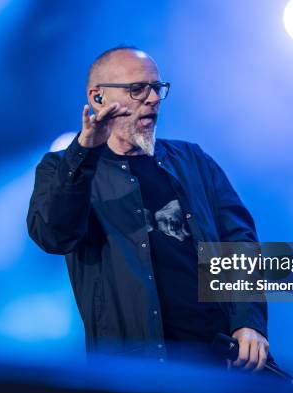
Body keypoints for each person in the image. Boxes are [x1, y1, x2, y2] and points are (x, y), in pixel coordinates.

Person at [27, 46, 269, 371]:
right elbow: (54, 235)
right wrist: (83, 153)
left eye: (157, 88)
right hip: (135, 374)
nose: (153, 99)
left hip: (219, 366)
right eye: (138, 89)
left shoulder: (193, 161)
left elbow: (239, 243)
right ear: (98, 98)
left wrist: (247, 321)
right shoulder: (62, 168)